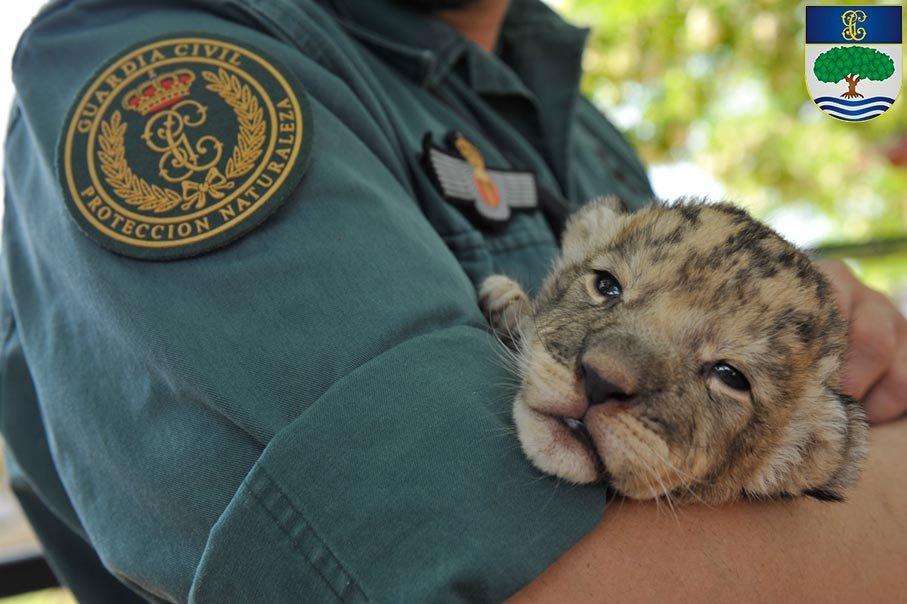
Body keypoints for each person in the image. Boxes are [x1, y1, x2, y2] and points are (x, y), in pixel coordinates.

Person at [1, 0, 904, 601]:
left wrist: (810, 348)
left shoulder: (573, 119)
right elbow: (492, 574)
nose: (607, 364)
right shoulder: (167, 60)